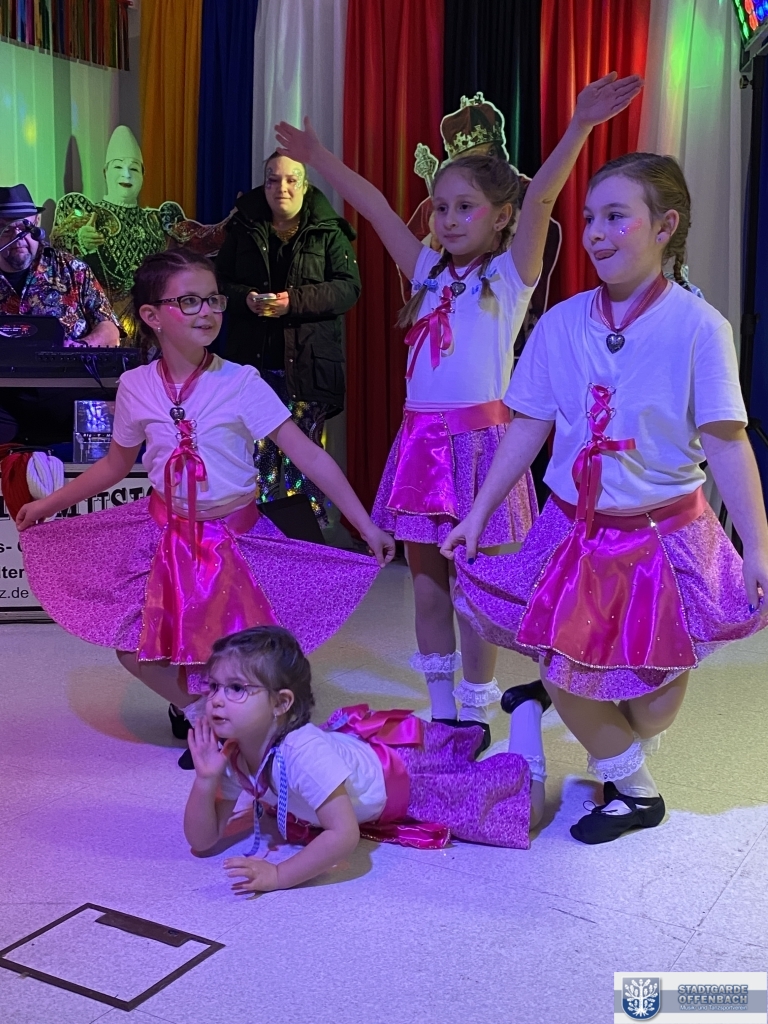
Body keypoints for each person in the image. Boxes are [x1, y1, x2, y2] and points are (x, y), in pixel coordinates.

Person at [274, 73, 643, 749]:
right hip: (420, 445)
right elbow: (375, 206)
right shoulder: (425, 271)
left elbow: (544, 196)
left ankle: (476, 707)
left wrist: (579, 126)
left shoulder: (511, 274)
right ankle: (442, 710)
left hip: (483, 445)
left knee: (479, 589)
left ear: (501, 216)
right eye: (441, 207)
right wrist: (319, 158)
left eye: (465, 207)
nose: (447, 219)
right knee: (428, 588)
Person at [441, 153, 768, 844]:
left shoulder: (699, 328)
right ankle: (636, 791)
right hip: (574, 532)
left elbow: (729, 444)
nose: (595, 232)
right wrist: (478, 512)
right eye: (590, 217)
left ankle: (547, 703)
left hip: (665, 537)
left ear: (664, 226)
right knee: (569, 666)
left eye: (617, 216)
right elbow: (527, 425)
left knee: (651, 710)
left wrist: (758, 547)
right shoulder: (561, 324)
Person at [15, 248, 394, 748]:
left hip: (236, 538)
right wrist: (48, 504)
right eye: (189, 301)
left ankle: (225, 710)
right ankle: (199, 712)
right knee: (132, 641)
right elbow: (114, 466)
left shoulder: (241, 382)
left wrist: (364, 524)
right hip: (164, 536)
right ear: (152, 316)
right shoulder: (135, 386)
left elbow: (309, 455)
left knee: (245, 651)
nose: (207, 311)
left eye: (213, 299)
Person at [184, 626, 550, 893]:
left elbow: (343, 835)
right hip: (367, 764)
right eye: (213, 686)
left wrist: (279, 875)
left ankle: (526, 710)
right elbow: (201, 841)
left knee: (522, 811)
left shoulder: (302, 753)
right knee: (477, 775)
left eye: (236, 688)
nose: (216, 700)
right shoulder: (234, 753)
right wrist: (205, 780)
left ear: (281, 703)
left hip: (405, 772)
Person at [215, 153, 361, 528]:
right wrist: (246, 299)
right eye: (273, 179)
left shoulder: (329, 230)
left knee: (304, 458)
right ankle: (259, 536)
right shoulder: (243, 226)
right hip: (254, 365)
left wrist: (292, 302)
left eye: (291, 179)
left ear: (305, 185)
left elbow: (348, 289)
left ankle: (307, 538)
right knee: (258, 457)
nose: (282, 187)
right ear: (263, 184)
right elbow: (218, 283)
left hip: (308, 367)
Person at [52, 126, 228, 339]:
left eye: (134, 169)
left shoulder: (158, 219)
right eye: (118, 167)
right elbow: (58, 247)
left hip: (152, 325)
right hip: (105, 324)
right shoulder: (89, 214)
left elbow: (202, 240)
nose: (126, 174)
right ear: (106, 172)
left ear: (144, 174)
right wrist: (79, 239)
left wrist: (235, 221)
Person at [0, 183, 121, 445]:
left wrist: (79, 348)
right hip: (4, 398)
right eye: (6, 228)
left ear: (36, 223)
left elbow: (110, 330)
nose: (18, 237)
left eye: (24, 227)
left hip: (66, 391)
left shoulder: (71, 269)